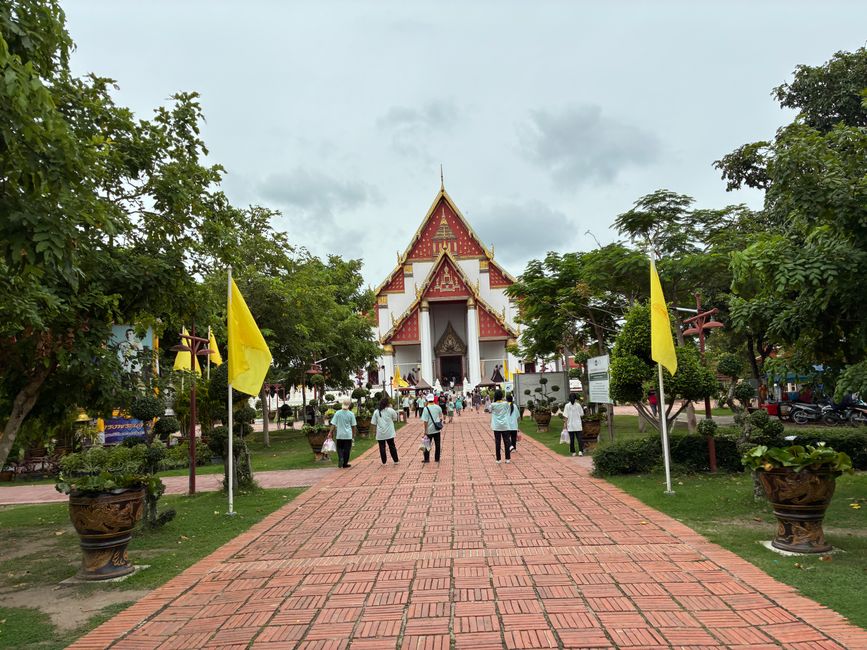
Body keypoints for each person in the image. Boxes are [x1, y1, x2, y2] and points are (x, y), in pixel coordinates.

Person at [330, 396, 357, 468]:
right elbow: (353, 426)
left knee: (339, 448)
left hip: (340, 435)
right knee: (347, 449)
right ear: (349, 405)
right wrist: (353, 434)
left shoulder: (337, 413)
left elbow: (333, 424)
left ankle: (341, 458)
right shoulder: (351, 414)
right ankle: (345, 463)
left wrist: (330, 433)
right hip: (348, 435)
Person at [371, 396, 399, 465]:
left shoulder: (376, 412)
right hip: (389, 432)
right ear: (387, 403)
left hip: (380, 433)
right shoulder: (391, 410)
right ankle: (395, 460)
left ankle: (384, 462)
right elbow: (395, 418)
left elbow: (373, 423)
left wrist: (373, 432)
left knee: (382, 447)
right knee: (392, 446)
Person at [490, 389, 512, 464]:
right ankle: (507, 458)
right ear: (502, 396)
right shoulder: (505, 404)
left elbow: (489, 410)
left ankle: (498, 459)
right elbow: (509, 405)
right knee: (506, 442)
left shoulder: (493, 405)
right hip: (505, 425)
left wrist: (494, 400)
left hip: (496, 426)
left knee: (497, 442)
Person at [421, 393, 443, 463]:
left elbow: (425, 421)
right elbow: (440, 416)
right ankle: (437, 458)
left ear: (427, 400)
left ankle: (427, 459)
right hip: (437, 429)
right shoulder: (438, 407)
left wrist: (425, 431)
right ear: (433, 399)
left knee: (427, 444)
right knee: (437, 444)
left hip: (429, 430)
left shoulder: (426, 409)